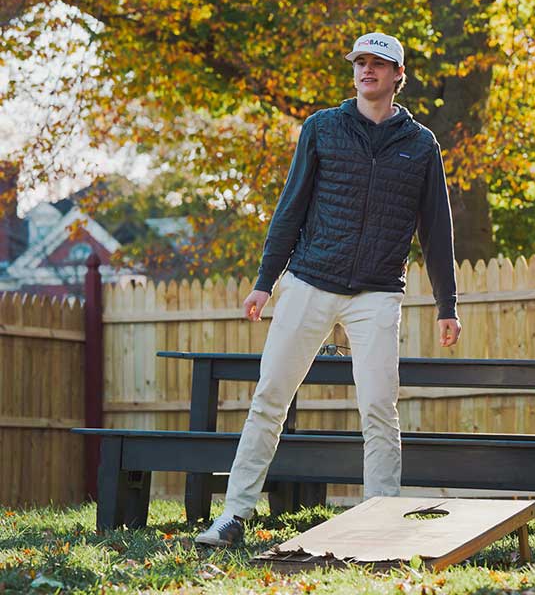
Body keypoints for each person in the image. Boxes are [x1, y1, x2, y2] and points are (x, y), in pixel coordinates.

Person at [196, 32, 462, 547]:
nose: (367, 71)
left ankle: (380, 521)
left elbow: (437, 230)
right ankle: (233, 515)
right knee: (270, 396)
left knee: (381, 408)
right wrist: (263, 283)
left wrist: (447, 305)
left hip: (378, 292)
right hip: (309, 280)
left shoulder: (421, 145)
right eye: (360, 62)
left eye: (379, 64)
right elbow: (290, 207)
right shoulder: (322, 127)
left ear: (397, 76)